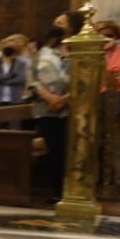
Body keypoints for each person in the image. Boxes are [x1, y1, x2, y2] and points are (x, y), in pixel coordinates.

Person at [32, 26, 71, 201]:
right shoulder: (42, 54)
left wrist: (63, 100)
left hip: (71, 109)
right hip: (46, 110)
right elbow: (33, 80)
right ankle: (56, 191)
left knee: (67, 151)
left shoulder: (77, 51)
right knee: (53, 151)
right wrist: (50, 98)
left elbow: (83, 78)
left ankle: (71, 191)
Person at [103, 22, 120, 194]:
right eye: (103, 34)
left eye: (110, 35)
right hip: (97, 98)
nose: (106, 38)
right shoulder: (95, 54)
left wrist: (118, 79)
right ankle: (99, 177)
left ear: (117, 36)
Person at [0, 34, 29, 105]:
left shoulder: (20, 63)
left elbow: (20, 78)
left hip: (14, 99)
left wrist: (0, 82)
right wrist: (10, 76)